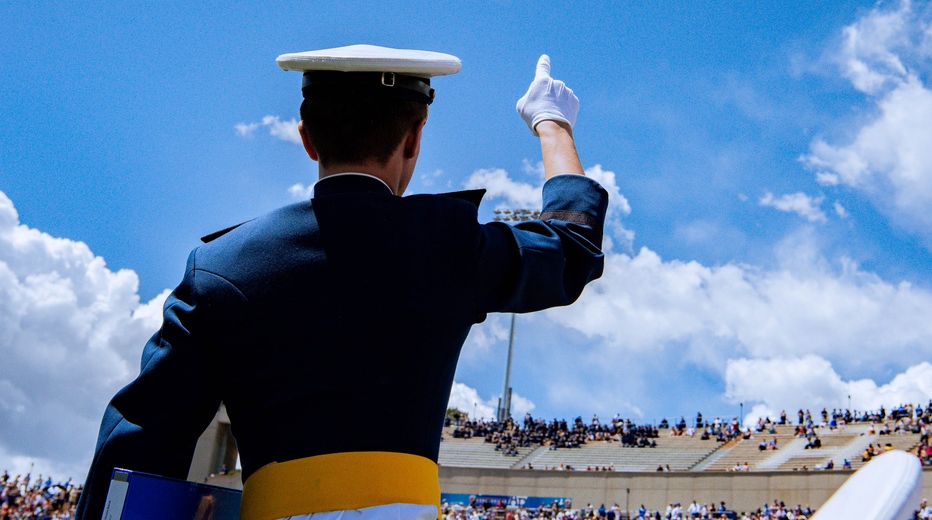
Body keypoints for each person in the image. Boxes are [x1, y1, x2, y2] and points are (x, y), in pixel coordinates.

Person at [76, 46, 608, 520]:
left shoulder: (220, 266)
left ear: (306, 138)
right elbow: (570, 248)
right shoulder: (448, 242)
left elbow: (137, 444)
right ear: (414, 138)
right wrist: (551, 123)